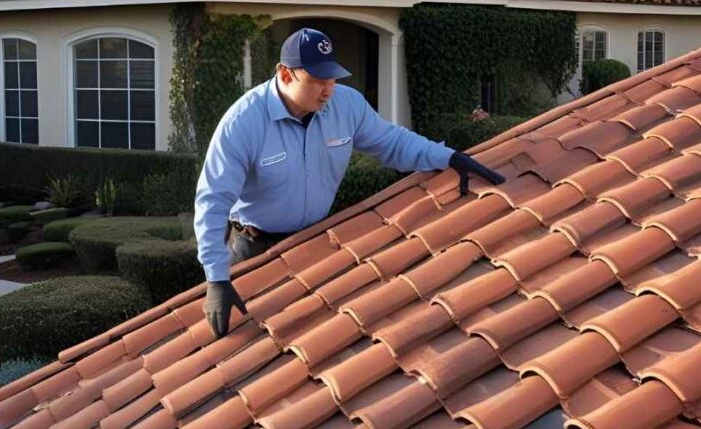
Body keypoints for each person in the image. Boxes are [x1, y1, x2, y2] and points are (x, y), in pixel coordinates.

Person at [194, 27, 505, 338]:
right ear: (286, 75)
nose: (328, 90)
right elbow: (213, 202)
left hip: (316, 244)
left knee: (321, 338)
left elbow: (393, 144)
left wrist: (448, 157)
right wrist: (217, 279)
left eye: (332, 79)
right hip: (256, 251)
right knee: (253, 346)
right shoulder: (243, 122)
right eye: (317, 80)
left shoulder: (347, 105)